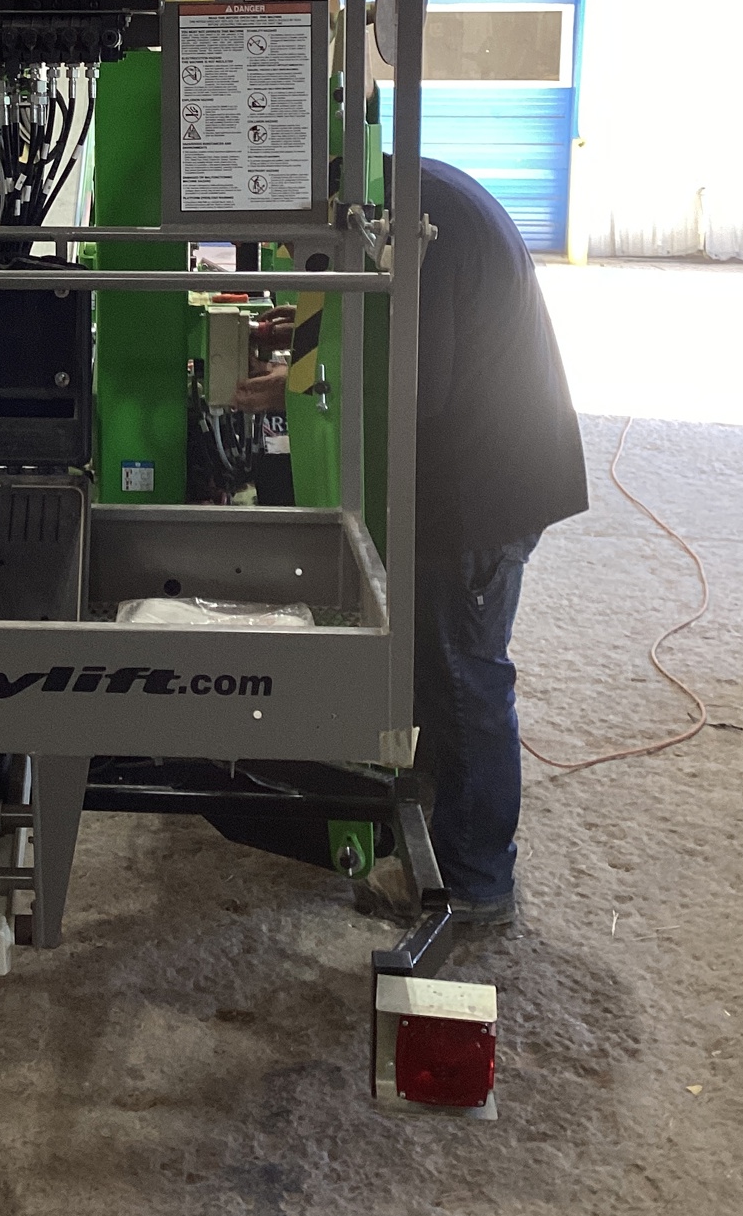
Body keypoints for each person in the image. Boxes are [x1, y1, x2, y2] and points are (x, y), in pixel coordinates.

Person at [233, 157, 588, 922]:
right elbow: (391, 337)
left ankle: (475, 882)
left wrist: (303, 383)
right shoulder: (401, 186)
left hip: (482, 490)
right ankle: (435, 824)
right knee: (437, 667)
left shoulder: (410, 221)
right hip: (483, 466)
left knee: (463, 681)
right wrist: (307, 348)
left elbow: (414, 385)